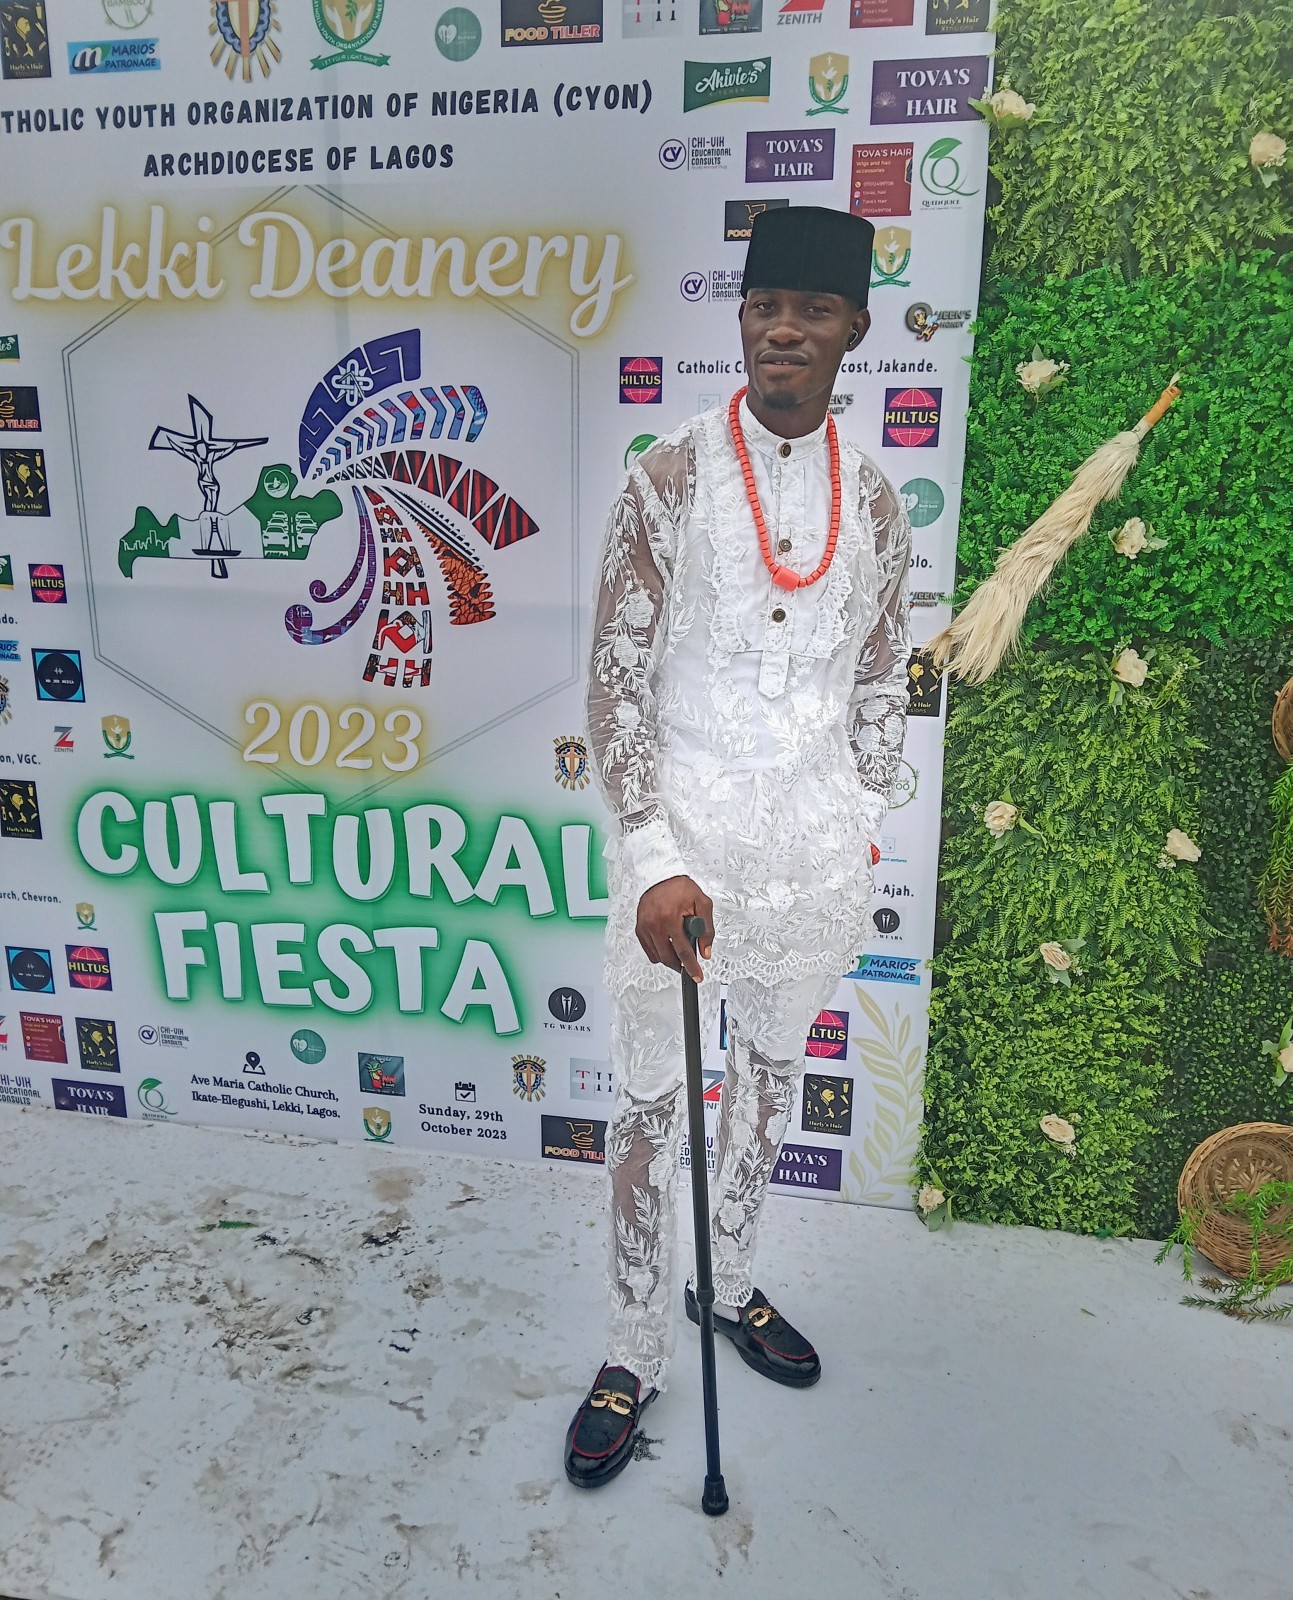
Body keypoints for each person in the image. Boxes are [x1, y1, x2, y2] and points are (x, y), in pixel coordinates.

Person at [566, 205, 912, 1488]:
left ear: (853, 329)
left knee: (768, 1081)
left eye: (812, 310)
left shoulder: (875, 500)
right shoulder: (667, 478)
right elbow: (614, 683)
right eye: (766, 305)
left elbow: (880, 676)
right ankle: (631, 1347)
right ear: (745, 318)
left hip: (809, 855)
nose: (783, 329)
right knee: (651, 1105)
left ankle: (732, 1279)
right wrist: (653, 855)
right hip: (684, 854)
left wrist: (862, 815)